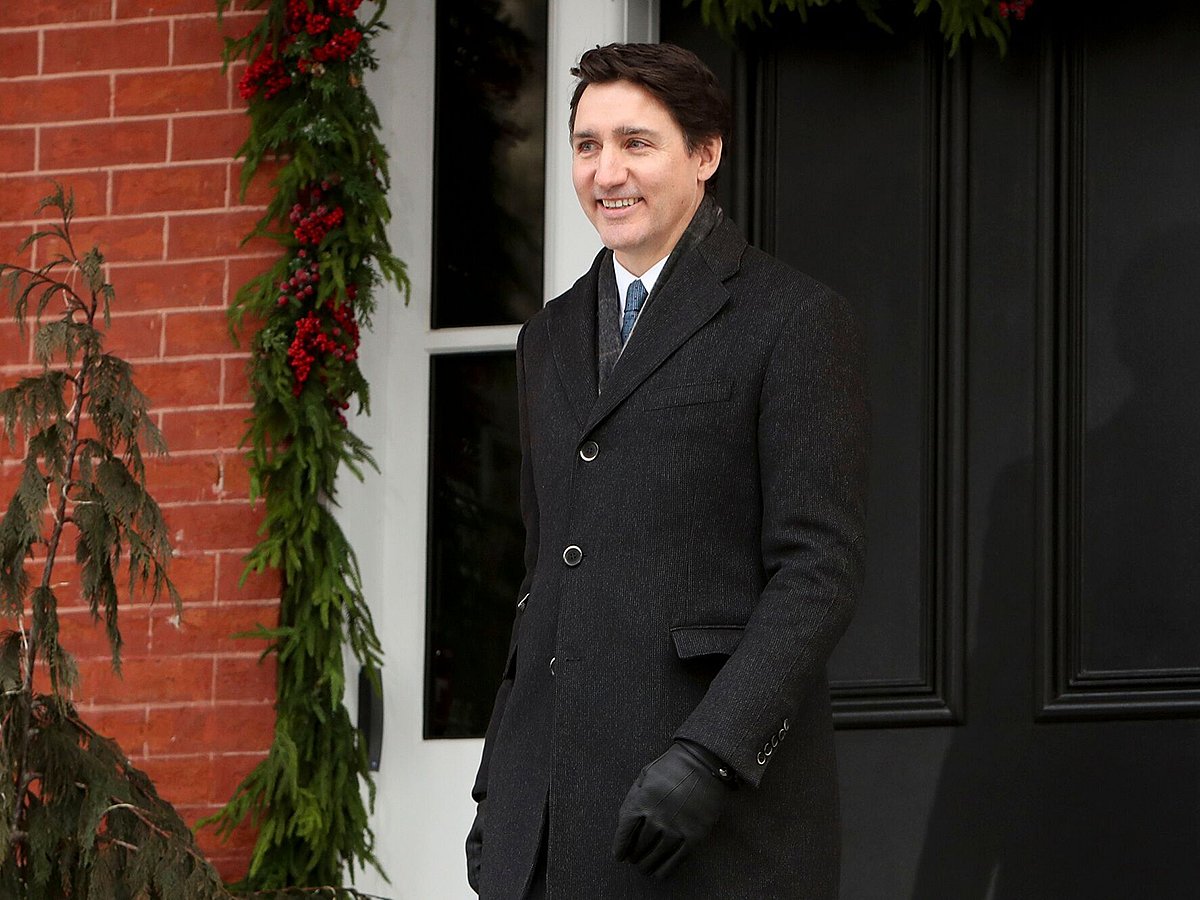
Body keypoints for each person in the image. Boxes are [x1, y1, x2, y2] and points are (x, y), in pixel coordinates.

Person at [465, 42, 869, 899]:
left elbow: (817, 572)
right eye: (586, 145)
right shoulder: (546, 337)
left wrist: (714, 754)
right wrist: (497, 777)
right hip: (542, 828)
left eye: (636, 143)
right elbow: (544, 576)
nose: (606, 171)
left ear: (705, 153)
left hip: (710, 826)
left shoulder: (793, 319)